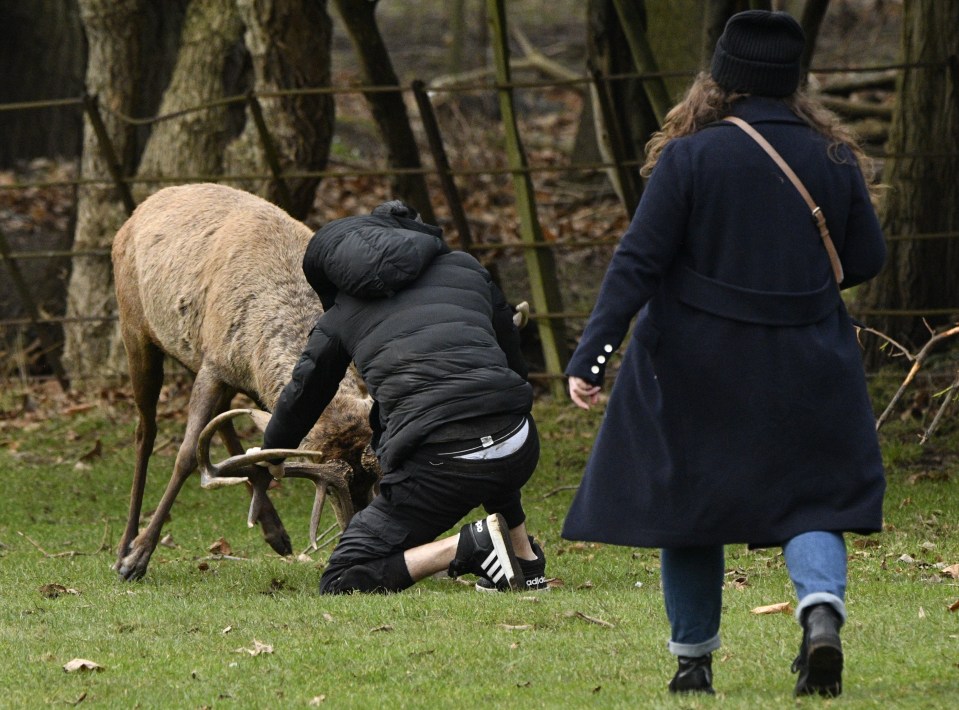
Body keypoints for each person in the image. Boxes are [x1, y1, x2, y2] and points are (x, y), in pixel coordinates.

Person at [562, 10, 886, 698]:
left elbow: (637, 264)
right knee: (814, 501)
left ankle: (692, 664)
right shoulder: (832, 156)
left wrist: (591, 356)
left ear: (722, 79)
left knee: (689, 505)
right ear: (793, 83)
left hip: (695, 364)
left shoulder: (689, 157)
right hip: (808, 358)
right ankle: (820, 612)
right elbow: (864, 257)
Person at [258, 200, 548, 595]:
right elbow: (513, 361)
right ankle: (526, 563)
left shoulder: (340, 317)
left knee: (341, 579)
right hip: (518, 442)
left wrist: (272, 454)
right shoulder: (467, 269)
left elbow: (303, 396)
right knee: (482, 428)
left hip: (443, 465)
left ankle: (466, 547)